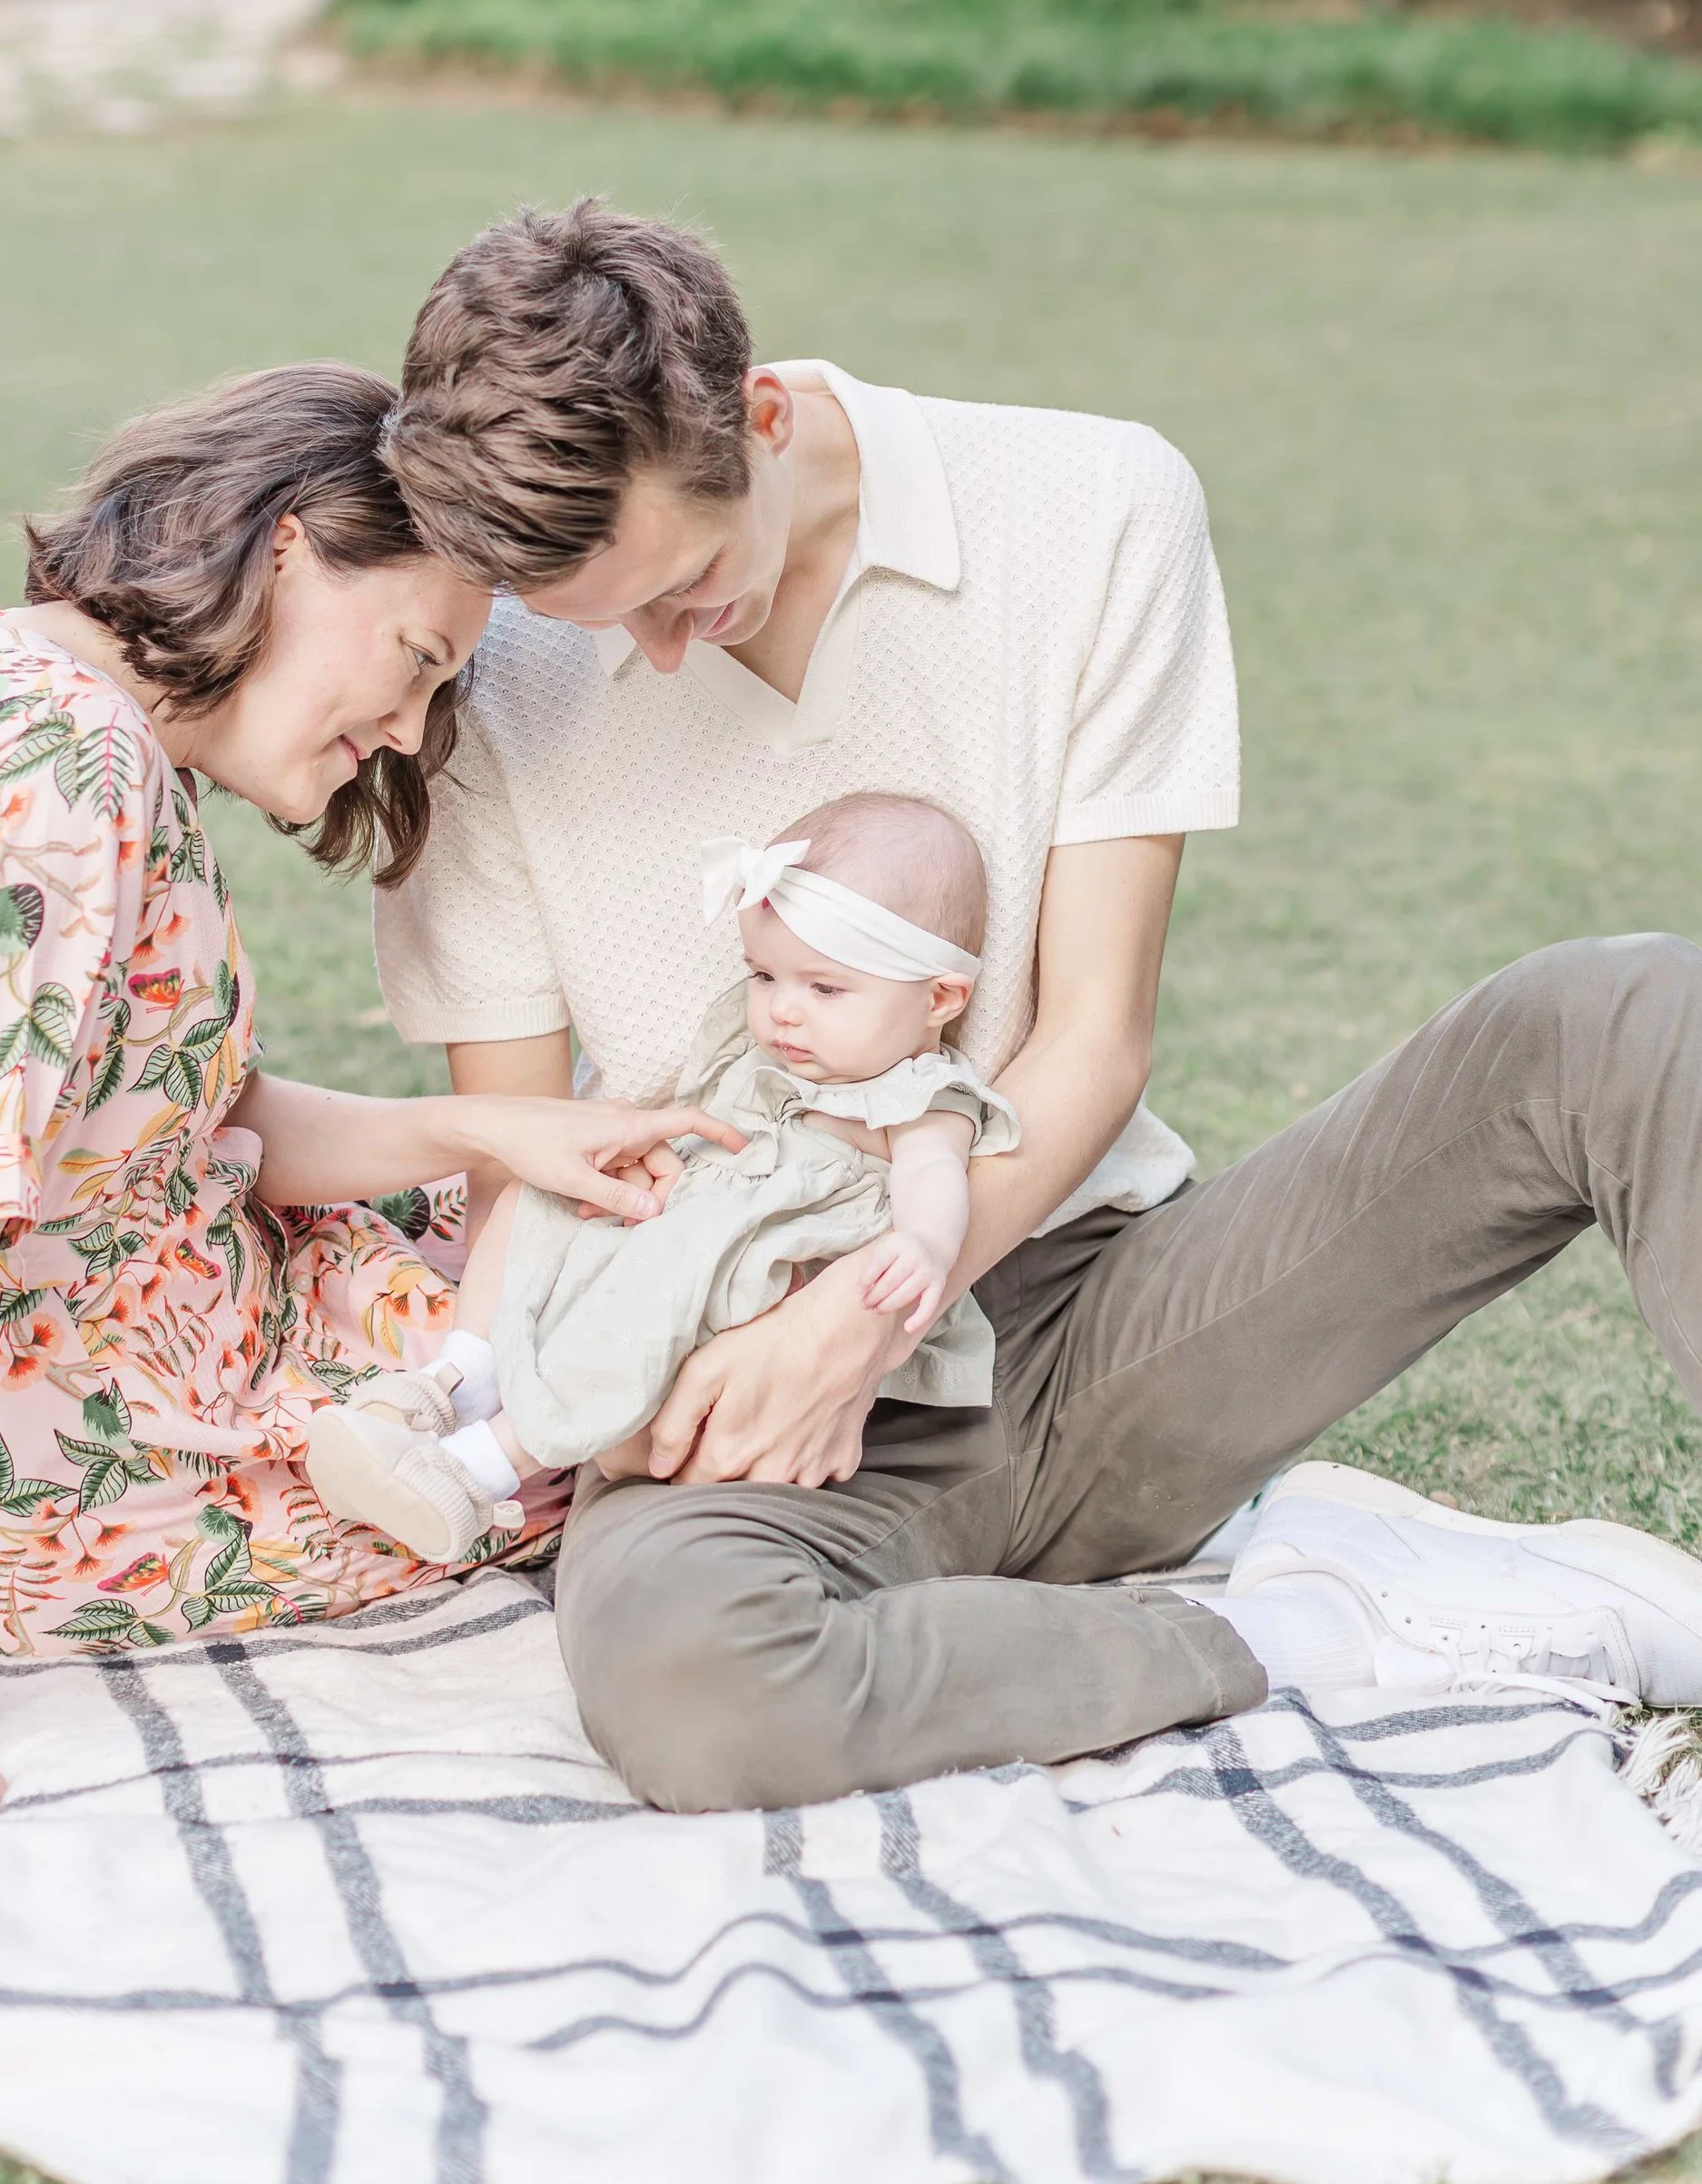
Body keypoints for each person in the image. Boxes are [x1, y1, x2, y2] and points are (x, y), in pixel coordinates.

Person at [374, 201, 1702, 1812]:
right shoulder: (500, 668)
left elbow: (1091, 1039)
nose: (654, 656)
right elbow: (525, 1152)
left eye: (690, 585)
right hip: (738, 1397)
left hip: (1092, 1312)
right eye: (604, 619)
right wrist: (598, 1391)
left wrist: (861, 1316)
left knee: (1623, 1018)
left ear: (763, 417)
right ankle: (1308, 1630)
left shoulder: (1092, 507)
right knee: (691, 1691)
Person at [0, 366, 734, 1881]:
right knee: (646, 1331)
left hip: (115, 1349)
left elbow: (166, 1125)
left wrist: (490, 1133)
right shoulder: (62, 785)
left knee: (579, 1211)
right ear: (291, 544)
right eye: (416, 660)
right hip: (103, 1465)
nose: (408, 731)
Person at [306, 792, 1018, 1563]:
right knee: (538, 1199)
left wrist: (924, 1243)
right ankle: (459, 1379)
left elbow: (934, 1174)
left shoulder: (920, 1096)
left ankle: (478, 1471)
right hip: (695, 1212)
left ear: (939, 998)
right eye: (764, 975)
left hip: (765, 1268)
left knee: (653, 1299)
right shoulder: (772, 1054)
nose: (783, 1010)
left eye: (824, 988)